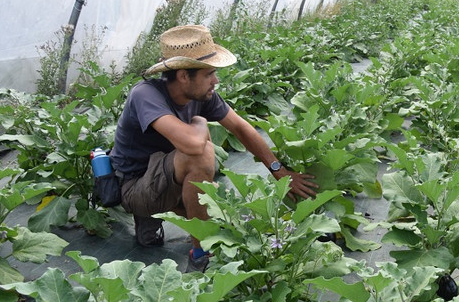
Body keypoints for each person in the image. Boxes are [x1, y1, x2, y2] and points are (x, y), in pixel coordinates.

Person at [110, 24, 317, 272]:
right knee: (200, 155)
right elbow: (193, 144)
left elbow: (242, 129)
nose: (215, 81)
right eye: (209, 74)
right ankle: (199, 255)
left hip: (164, 180)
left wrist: (278, 170)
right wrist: (199, 122)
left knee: (218, 207)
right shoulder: (145, 95)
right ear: (184, 76)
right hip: (135, 187)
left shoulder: (200, 95)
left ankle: (152, 221)